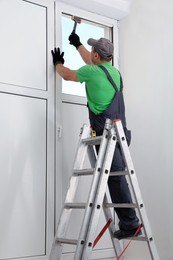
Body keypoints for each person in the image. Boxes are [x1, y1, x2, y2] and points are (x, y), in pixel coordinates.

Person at [51, 33, 141, 239]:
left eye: (92, 51)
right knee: (116, 178)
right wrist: (78, 45)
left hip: (106, 134)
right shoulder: (115, 73)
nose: (90, 54)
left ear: (97, 57)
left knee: (115, 180)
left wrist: (57, 63)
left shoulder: (90, 72)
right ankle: (130, 222)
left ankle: (131, 223)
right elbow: (93, 64)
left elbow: (66, 74)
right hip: (121, 135)